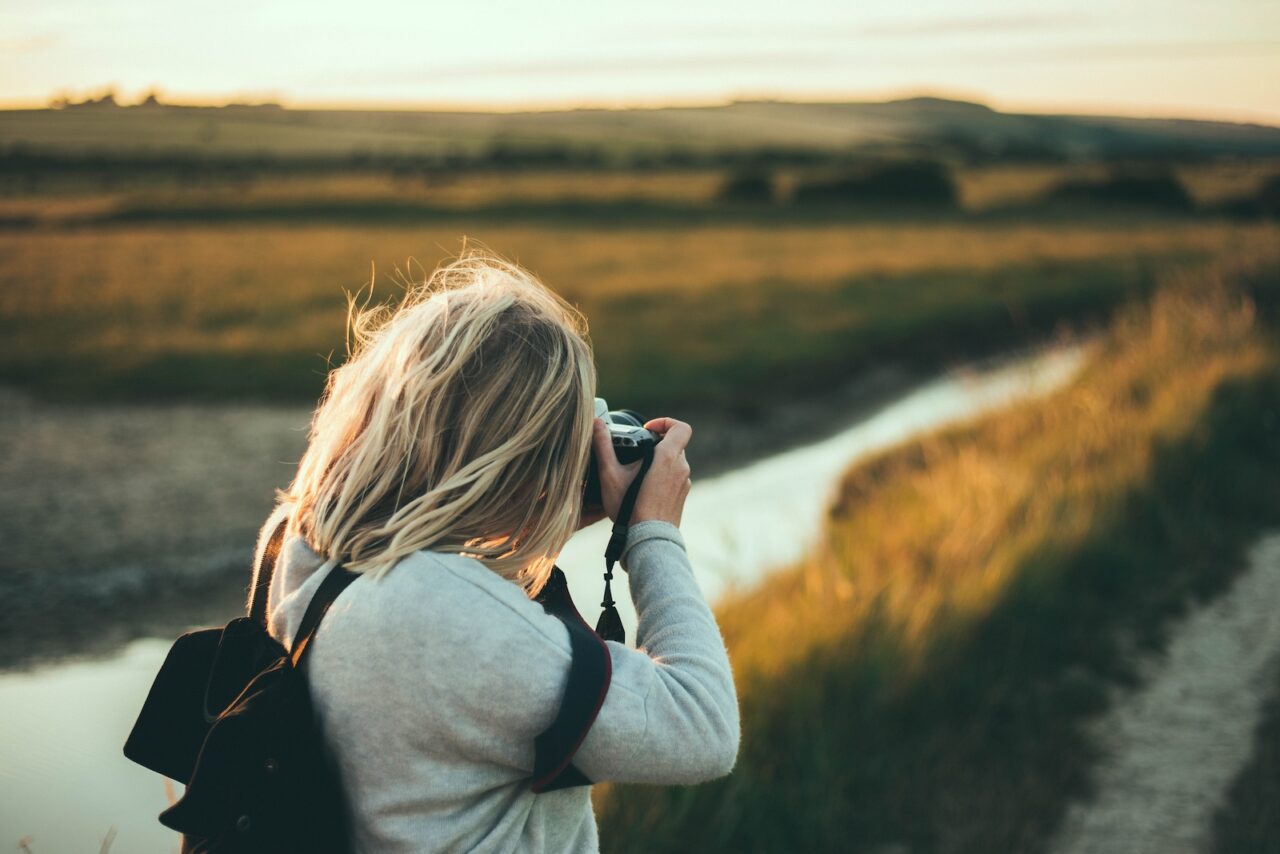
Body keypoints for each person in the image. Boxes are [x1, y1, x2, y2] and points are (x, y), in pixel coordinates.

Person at [253, 253, 739, 852]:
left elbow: (449, 699)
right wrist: (652, 531)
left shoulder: (301, 544)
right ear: (516, 449)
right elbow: (703, 727)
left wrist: (539, 514)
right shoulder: (441, 616)